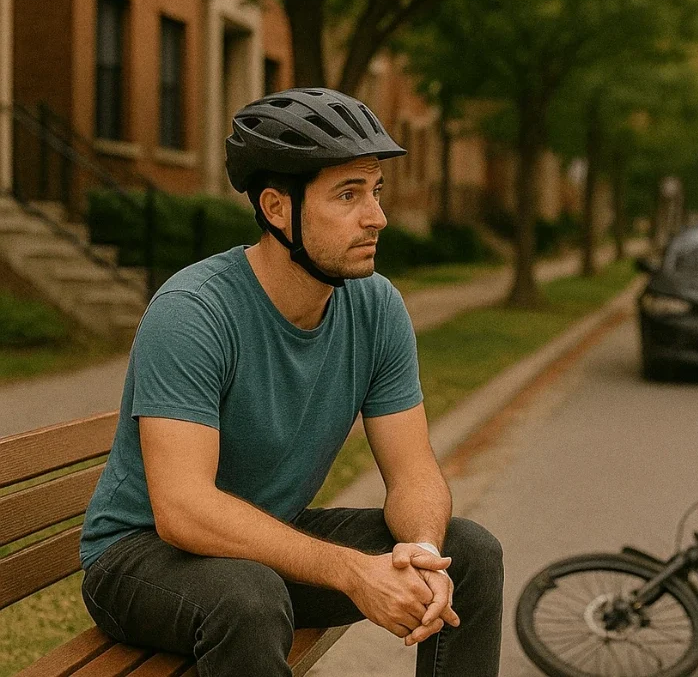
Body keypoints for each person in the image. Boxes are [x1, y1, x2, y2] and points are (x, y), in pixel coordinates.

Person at [77, 88, 503, 677]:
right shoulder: (194, 311)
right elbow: (183, 510)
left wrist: (423, 556)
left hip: (262, 546)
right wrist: (354, 571)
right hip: (141, 558)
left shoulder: (376, 307)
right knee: (249, 599)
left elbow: (414, 472)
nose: (377, 215)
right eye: (348, 195)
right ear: (278, 210)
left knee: (469, 554)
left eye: (375, 191)